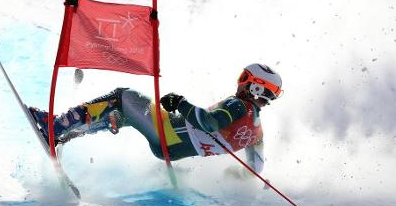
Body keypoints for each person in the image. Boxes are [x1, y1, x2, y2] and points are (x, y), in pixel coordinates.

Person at [29, 63, 283, 173]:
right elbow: (254, 170)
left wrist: (181, 104)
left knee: (122, 96)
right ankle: (68, 133)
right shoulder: (256, 132)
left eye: (244, 78)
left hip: (168, 133)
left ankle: (55, 126)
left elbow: (209, 122)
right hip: (172, 148)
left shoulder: (238, 105)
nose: (239, 83)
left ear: (256, 87)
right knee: (123, 115)